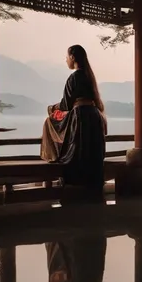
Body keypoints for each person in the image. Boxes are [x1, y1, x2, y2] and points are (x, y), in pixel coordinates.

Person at [40, 44, 107, 188]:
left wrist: (52, 108)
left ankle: (75, 184)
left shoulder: (74, 77)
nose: (65, 60)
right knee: (91, 152)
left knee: (51, 122)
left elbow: (66, 104)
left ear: (72, 57)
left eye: (66, 57)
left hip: (80, 117)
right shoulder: (90, 76)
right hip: (93, 116)